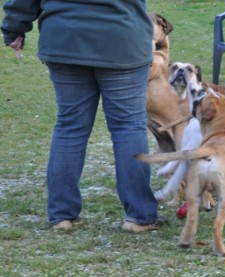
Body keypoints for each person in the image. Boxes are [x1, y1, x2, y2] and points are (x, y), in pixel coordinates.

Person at [1, 0, 166, 232]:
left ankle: (62, 215)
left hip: (66, 40)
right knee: (128, 127)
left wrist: (14, 27)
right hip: (122, 39)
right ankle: (139, 216)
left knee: (70, 128)